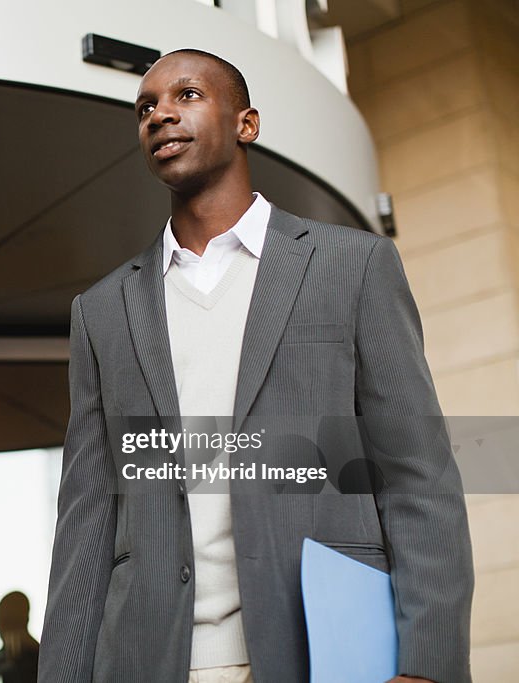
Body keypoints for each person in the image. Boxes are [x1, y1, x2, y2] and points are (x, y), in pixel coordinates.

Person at [38, 49, 473, 683]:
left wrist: (425, 665)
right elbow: (86, 516)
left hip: (320, 656)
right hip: (148, 659)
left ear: (247, 123)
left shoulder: (353, 267)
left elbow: (417, 475)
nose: (159, 115)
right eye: (145, 109)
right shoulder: (101, 310)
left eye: (186, 96)